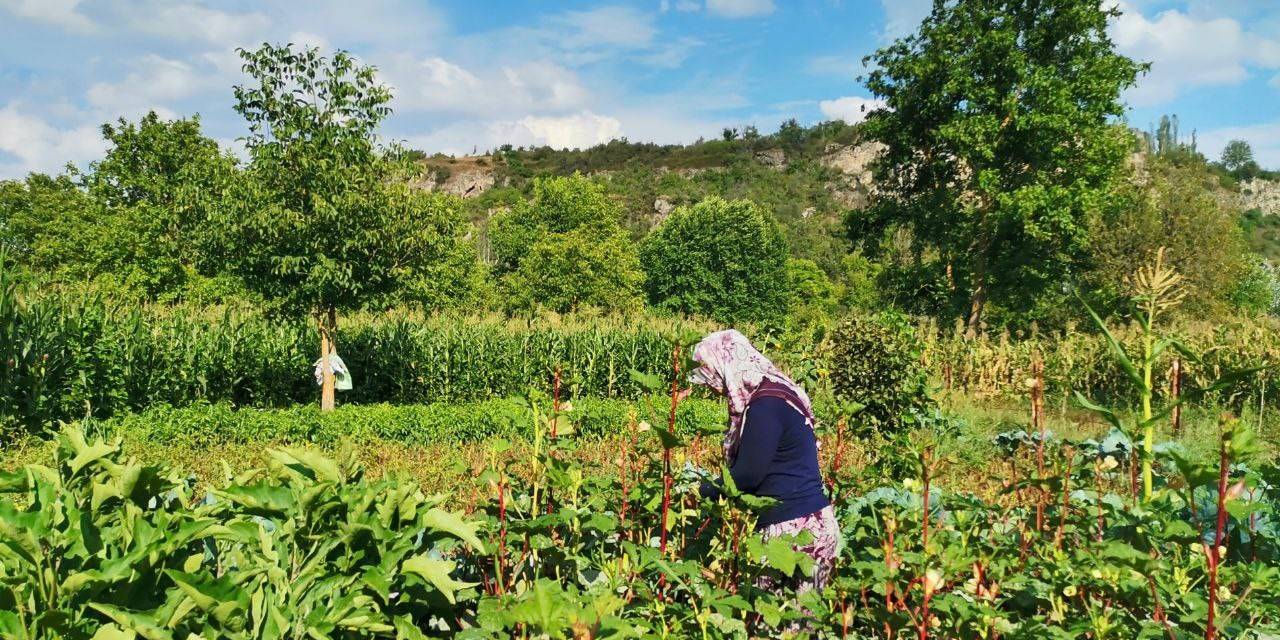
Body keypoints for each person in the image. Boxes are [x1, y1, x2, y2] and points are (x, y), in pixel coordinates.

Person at [690, 329, 839, 592]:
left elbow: (748, 475)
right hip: (813, 521)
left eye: (712, 376)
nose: (714, 388)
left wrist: (701, 490)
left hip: (792, 530)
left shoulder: (764, 406)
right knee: (806, 625)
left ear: (727, 364)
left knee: (774, 623)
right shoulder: (779, 393)